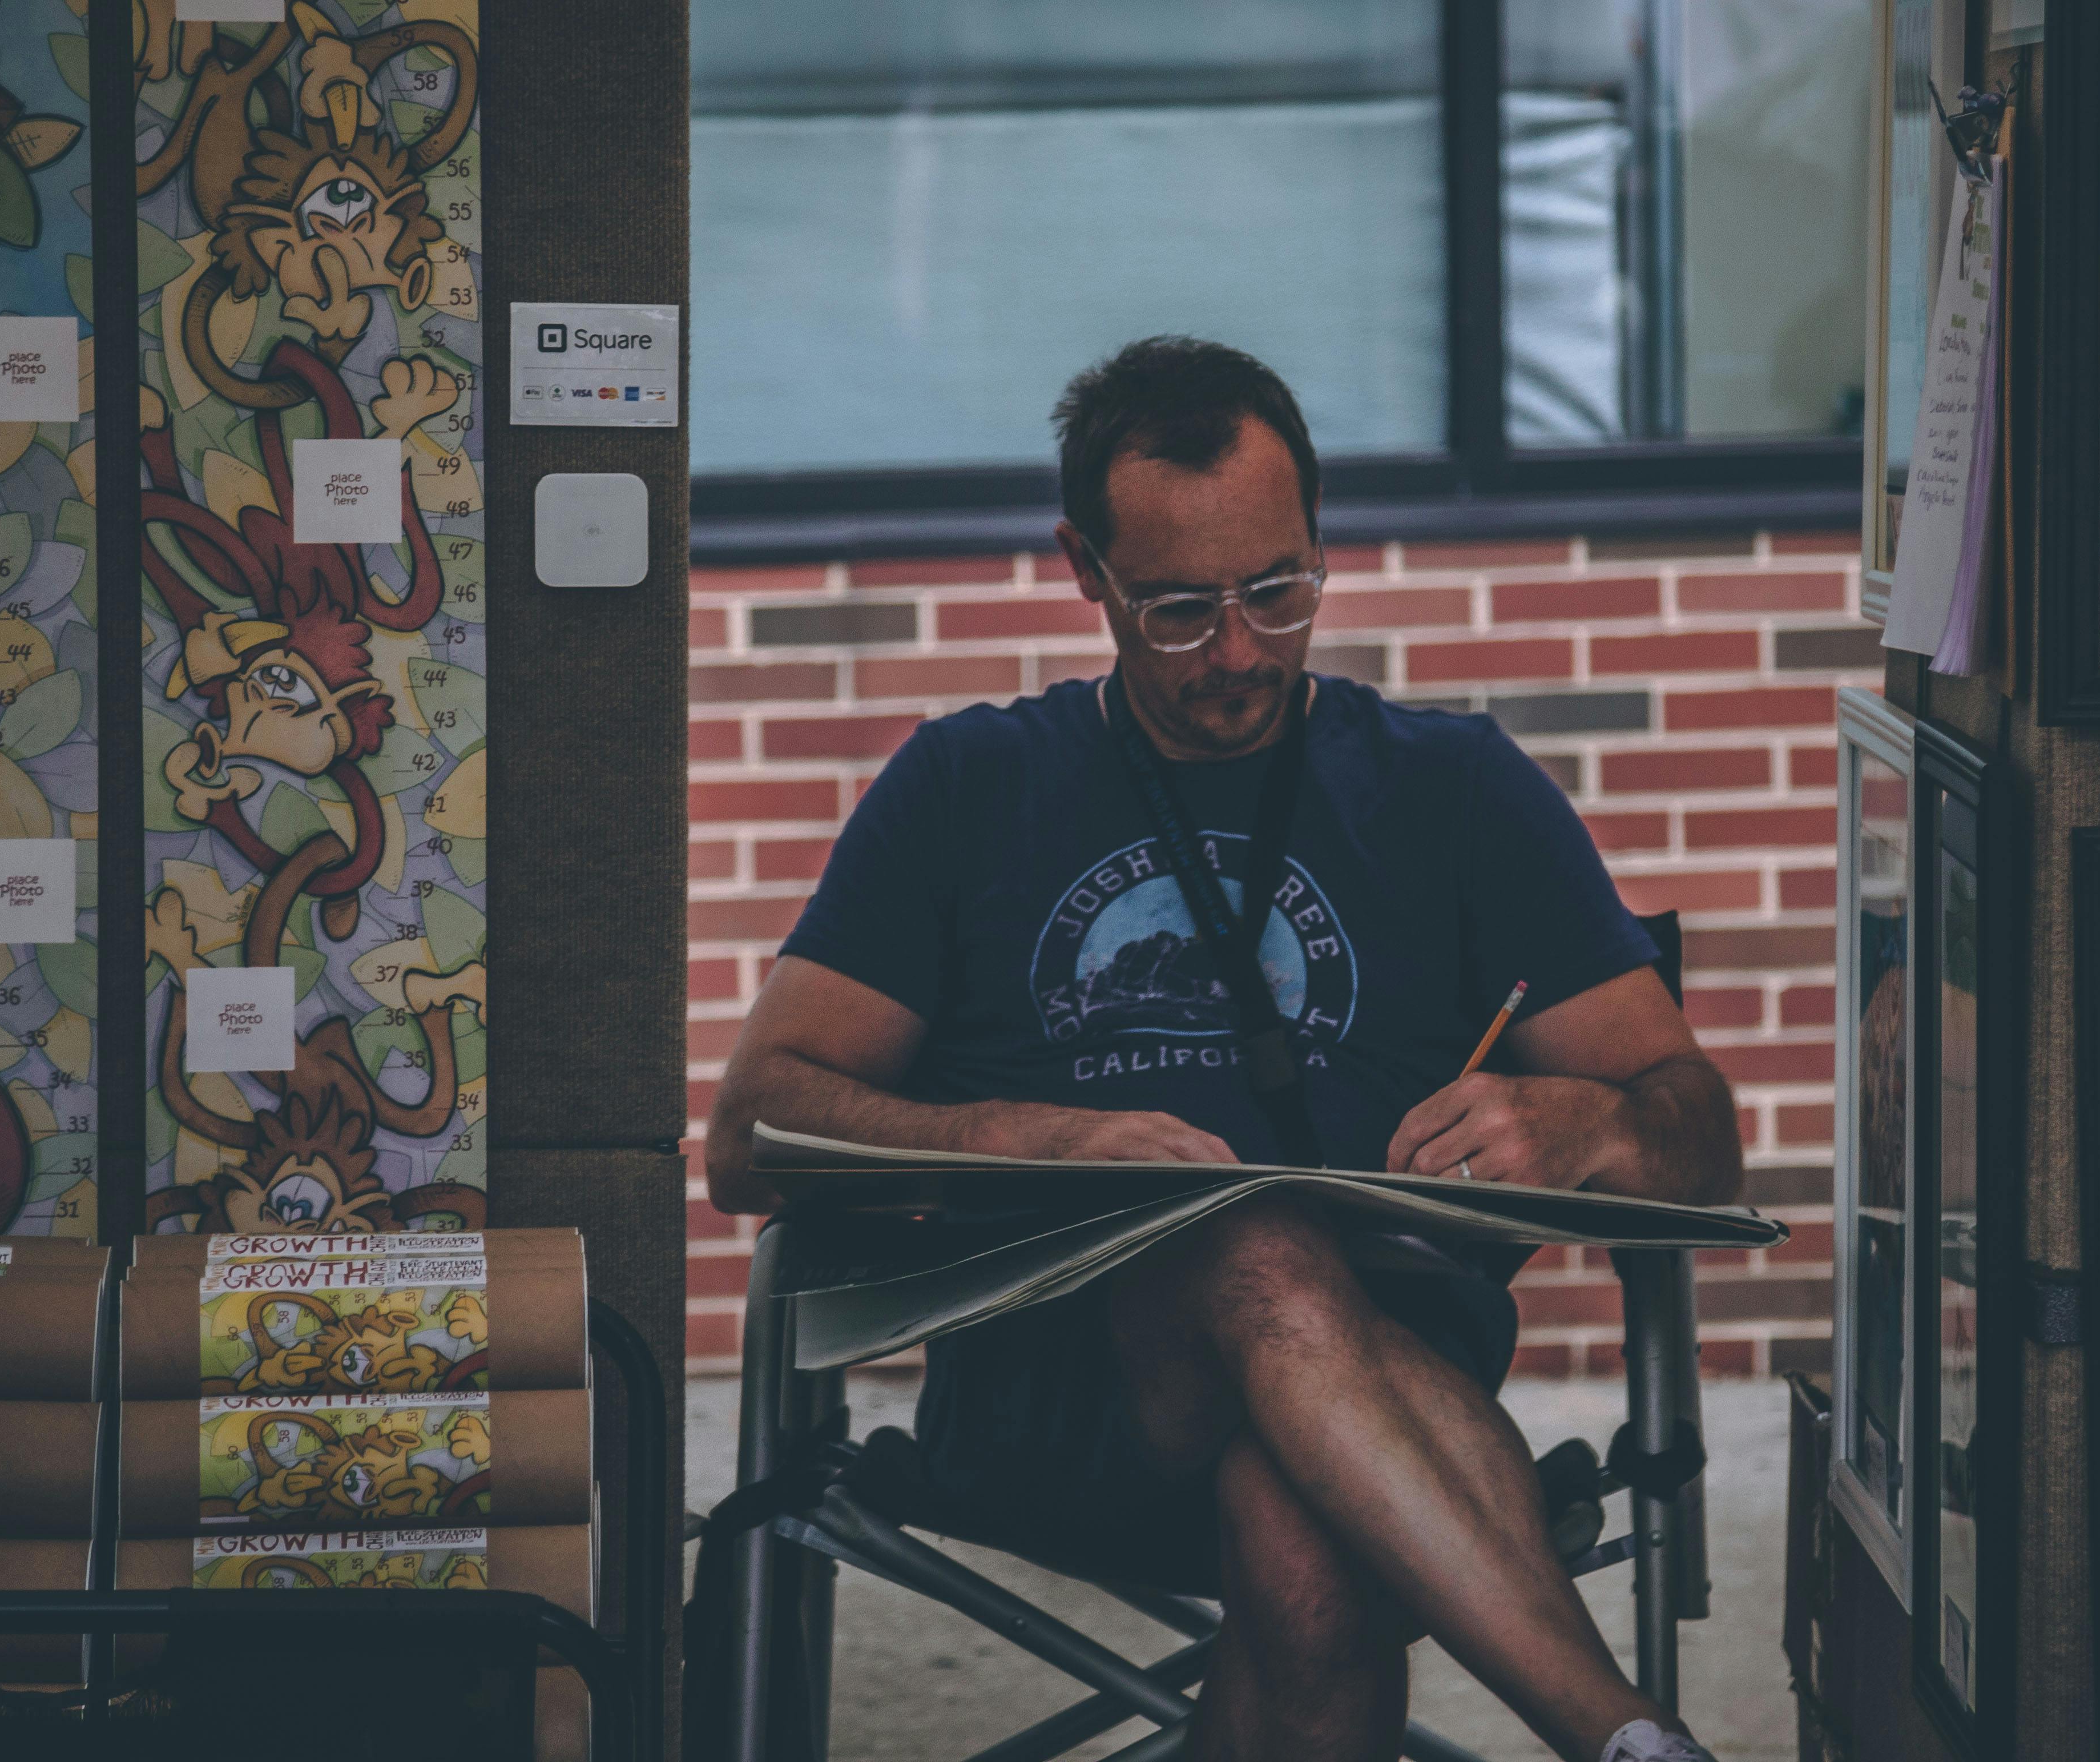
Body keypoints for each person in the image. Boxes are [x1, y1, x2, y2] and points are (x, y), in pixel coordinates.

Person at [707, 336, 1747, 1762]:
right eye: (1182, 610)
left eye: (1279, 589)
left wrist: (1598, 1130)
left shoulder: (1455, 789)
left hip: (1379, 1392)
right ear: (1087, 570)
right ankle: (1618, 1730)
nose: (1242, 652)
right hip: (1061, 1385)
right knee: (1246, 1236)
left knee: (1307, 1543)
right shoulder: (967, 785)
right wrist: (1048, 1139)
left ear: (1324, 540)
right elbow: (752, 1135)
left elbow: (1698, 1125)